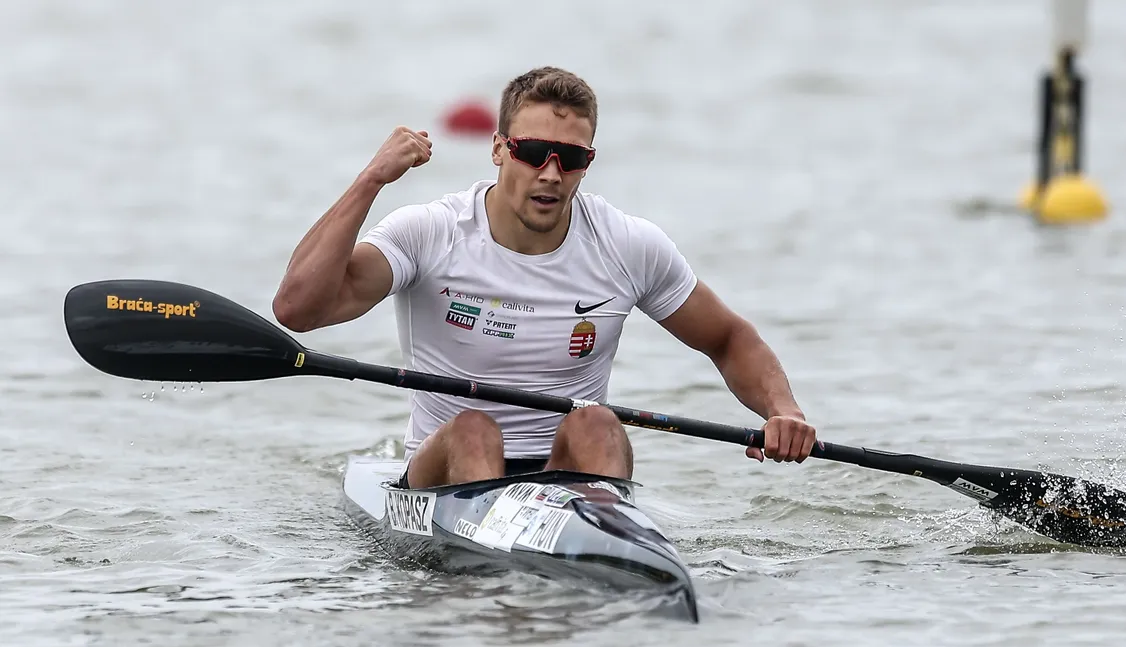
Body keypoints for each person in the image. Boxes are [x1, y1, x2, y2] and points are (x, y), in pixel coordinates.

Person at [272, 66, 817, 489]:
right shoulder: (432, 232)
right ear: (498, 149)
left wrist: (783, 411)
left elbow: (728, 338)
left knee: (596, 423)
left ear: (588, 160)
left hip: (560, 474)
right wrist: (371, 180)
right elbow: (300, 309)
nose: (551, 173)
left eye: (571, 158)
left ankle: (608, 558)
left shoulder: (626, 245)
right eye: (533, 152)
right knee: (474, 428)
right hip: (444, 472)